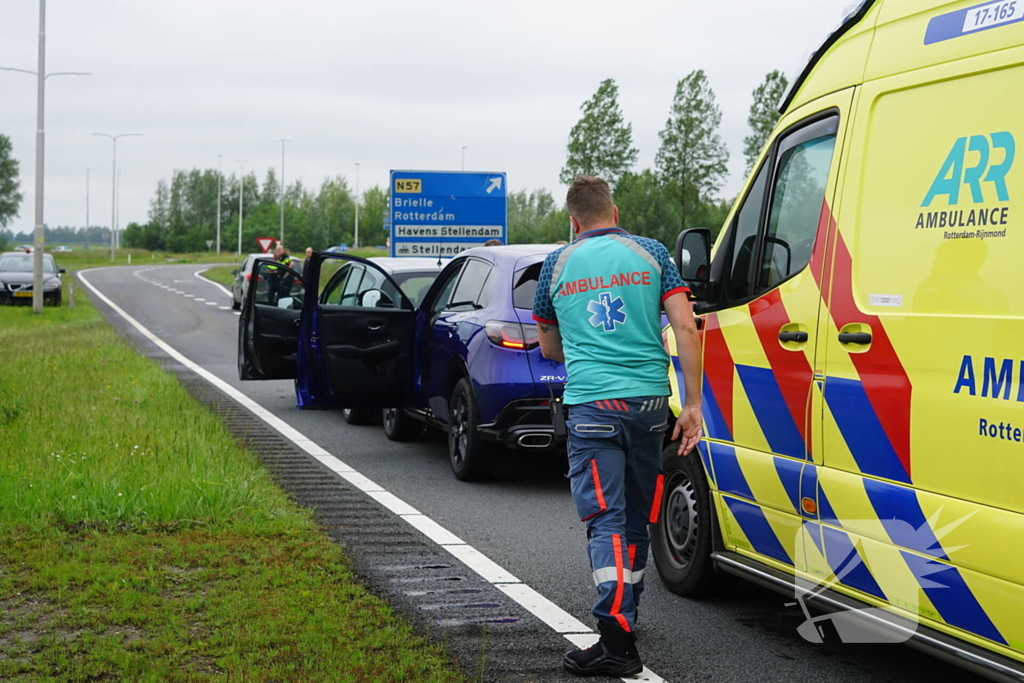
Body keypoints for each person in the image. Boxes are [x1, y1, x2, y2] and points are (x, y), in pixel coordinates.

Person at [532, 176, 702, 677]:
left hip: (593, 408)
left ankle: (616, 640)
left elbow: (548, 347)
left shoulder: (556, 266)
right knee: (635, 515)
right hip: (650, 404)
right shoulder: (650, 252)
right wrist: (691, 404)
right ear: (615, 210)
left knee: (605, 518)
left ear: (573, 220)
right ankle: (628, 614)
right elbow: (687, 328)